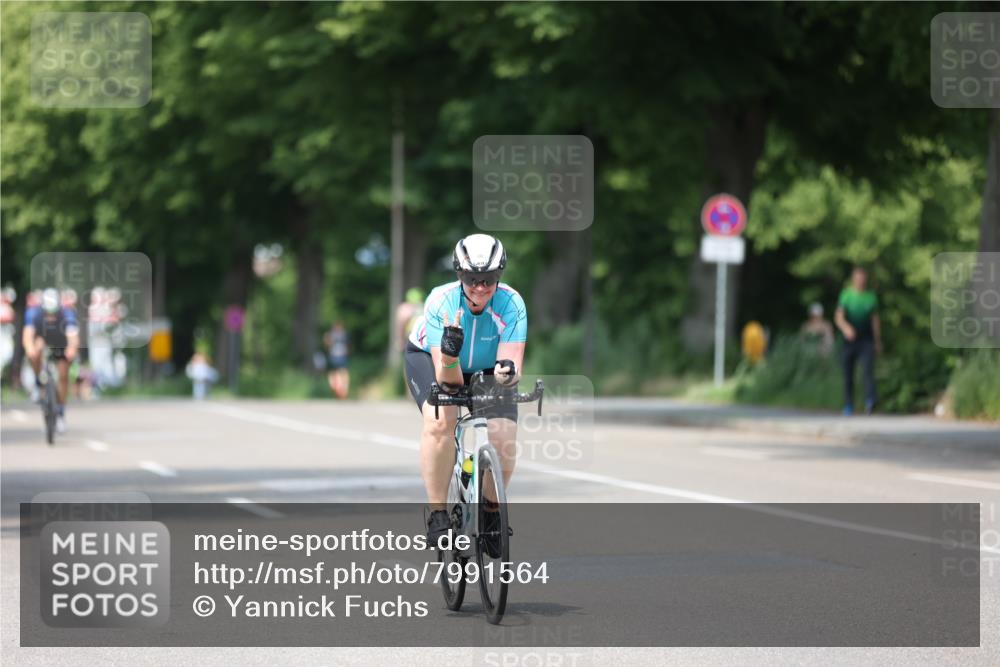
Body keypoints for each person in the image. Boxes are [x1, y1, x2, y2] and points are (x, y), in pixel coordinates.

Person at [404, 233, 527, 542]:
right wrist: (449, 351)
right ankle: (438, 514)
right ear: (460, 275)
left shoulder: (512, 304)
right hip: (434, 360)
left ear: (499, 275)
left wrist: (505, 375)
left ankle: (490, 511)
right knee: (439, 421)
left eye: (489, 278)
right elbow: (448, 382)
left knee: (503, 434)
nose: (480, 286)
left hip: (486, 367)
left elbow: (509, 369)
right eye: (472, 278)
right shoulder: (441, 302)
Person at [22, 288, 80, 433]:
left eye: (53, 313)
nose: (50, 317)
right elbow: (28, 336)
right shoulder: (33, 314)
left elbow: (73, 337)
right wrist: (30, 350)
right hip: (43, 340)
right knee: (35, 351)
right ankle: (38, 381)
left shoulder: (67, 314)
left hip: (61, 342)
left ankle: (60, 412)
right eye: (48, 313)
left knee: (63, 374)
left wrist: (71, 350)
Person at [834, 266, 882, 415]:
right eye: (858, 278)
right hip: (850, 340)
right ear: (853, 279)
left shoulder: (871, 296)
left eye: (863, 278)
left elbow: (875, 320)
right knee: (848, 373)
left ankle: (870, 401)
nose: (860, 280)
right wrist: (846, 328)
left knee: (868, 370)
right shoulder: (847, 295)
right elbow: (839, 317)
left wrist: (878, 340)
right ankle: (848, 404)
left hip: (866, 339)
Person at [324, 321, 350, 399]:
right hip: (337, 356)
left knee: (339, 372)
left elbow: (327, 344)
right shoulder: (342, 334)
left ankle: (340, 387)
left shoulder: (334, 335)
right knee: (339, 372)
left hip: (338, 356)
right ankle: (340, 388)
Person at [395, 287, 425, 352]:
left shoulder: (404, 308)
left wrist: (400, 339)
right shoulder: (424, 307)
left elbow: (402, 322)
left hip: (410, 336)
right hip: (424, 336)